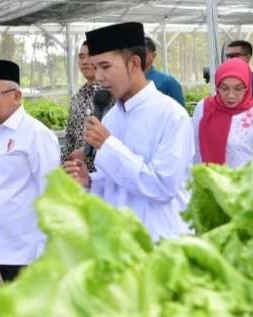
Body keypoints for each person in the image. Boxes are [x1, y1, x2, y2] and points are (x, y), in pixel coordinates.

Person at [63, 22, 194, 241]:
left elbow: (162, 187)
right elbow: (116, 183)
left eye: (105, 66)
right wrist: (90, 181)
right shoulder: (112, 116)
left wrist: (108, 145)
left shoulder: (171, 115)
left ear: (134, 63)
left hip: (162, 243)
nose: (98, 77)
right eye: (95, 68)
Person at [0, 59, 60, 282]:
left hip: (30, 248)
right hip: (2, 244)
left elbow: (51, 192)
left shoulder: (35, 134)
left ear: (17, 96)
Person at [192, 58, 253, 168]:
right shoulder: (204, 108)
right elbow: (193, 147)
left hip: (243, 183)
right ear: (217, 87)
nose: (231, 95)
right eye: (224, 88)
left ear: (247, 87)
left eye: (238, 88)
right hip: (207, 181)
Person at [61, 40, 113, 171]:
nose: (84, 61)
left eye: (89, 56)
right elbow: (70, 136)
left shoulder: (111, 94)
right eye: (81, 57)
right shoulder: (78, 97)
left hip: (103, 171)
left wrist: (86, 152)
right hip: (78, 173)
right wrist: (65, 164)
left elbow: (115, 136)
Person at [144, 36, 186, 106]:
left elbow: (180, 111)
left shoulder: (168, 82)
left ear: (153, 56)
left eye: (142, 53)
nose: (137, 56)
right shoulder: (128, 83)